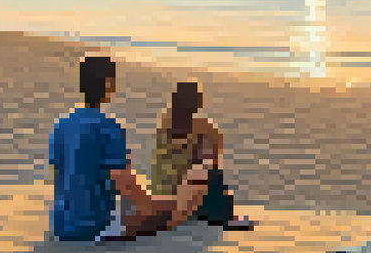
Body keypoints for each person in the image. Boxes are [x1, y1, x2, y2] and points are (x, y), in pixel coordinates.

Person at [50, 53, 186, 242]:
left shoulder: (61, 125)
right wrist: (151, 206)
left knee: (158, 204)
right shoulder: (109, 127)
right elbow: (123, 181)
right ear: (108, 85)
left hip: (61, 223)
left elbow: (59, 173)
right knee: (174, 207)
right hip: (95, 225)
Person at [150, 81, 255, 231]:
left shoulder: (165, 122)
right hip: (186, 196)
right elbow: (211, 161)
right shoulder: (204, 128)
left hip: (161, 193)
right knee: (211, 172)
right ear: (197, 102)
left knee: (204, 170)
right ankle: (224, 217)